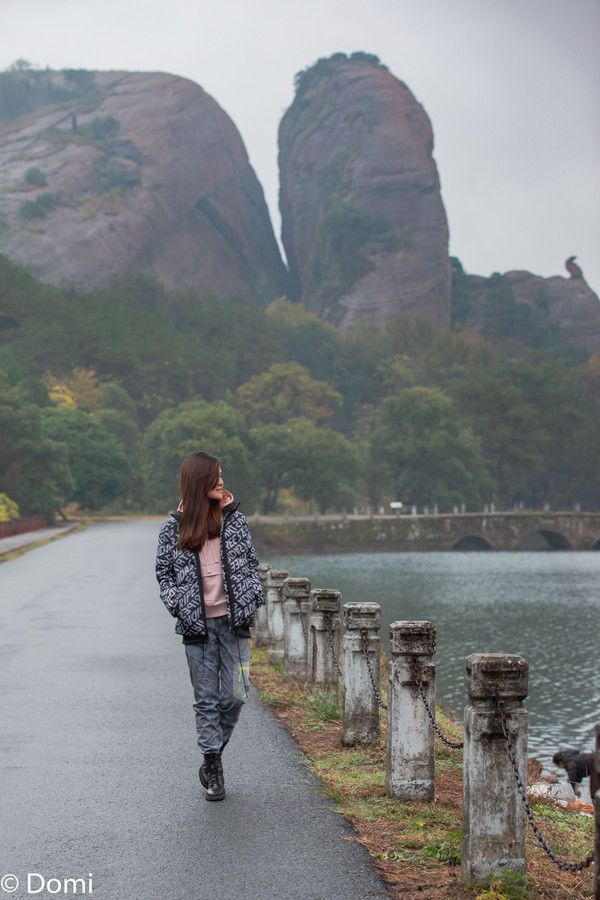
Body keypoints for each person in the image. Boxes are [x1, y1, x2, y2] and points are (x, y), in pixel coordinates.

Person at [155, 451, 265, 801]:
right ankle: (213, 766)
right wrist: (179, 606)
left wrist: (252, 596)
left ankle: (213, 751)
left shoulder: (236, 521)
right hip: (197, 629)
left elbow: (250, 563)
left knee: (236, 694)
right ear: (200, 483)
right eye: (215, 476)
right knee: (205, 700)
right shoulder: (173, 528)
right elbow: (164, 574)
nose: (222, 481)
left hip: (234, 626)